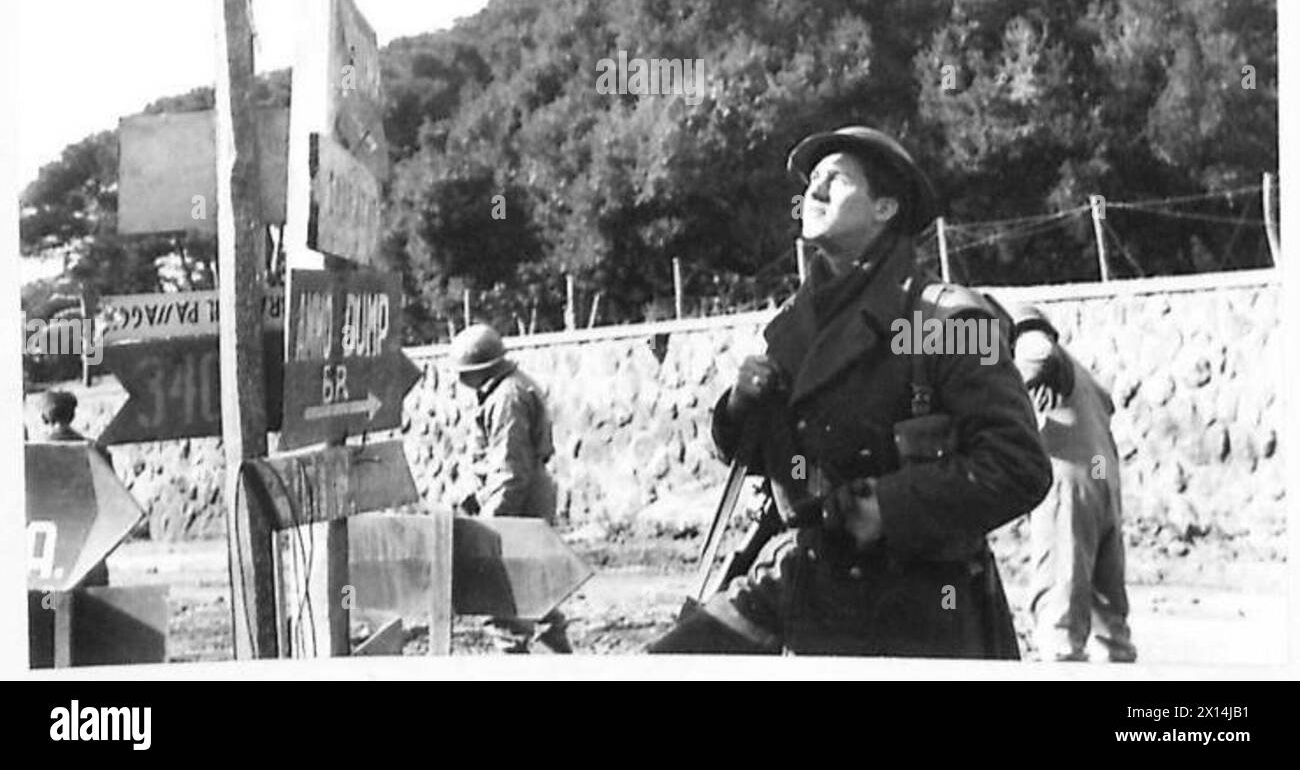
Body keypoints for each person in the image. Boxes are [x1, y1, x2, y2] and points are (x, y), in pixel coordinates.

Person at [648, 125, 1052, 656]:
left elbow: (1018, 466)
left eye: (835, 180)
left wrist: (888, 507)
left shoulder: (943, 318)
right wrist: (739, 407)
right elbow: (746, 452)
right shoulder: (793, 325)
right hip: (809, 583)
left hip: (921, 611)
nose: (813, 192)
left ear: (885, 207)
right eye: (812, 181)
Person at [1011, 303, 1137, 662]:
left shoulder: (1031, 342)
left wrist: (998, 390)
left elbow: (1038, 354)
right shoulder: (1082, 372)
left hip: (1068, 482)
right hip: (1102, 477)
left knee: (1060, 617)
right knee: (1109, 624)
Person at [451, 323, 571, 653]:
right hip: (527, 496)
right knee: (536, 594)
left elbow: (510, 472)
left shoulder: (506, 397)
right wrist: (474, 495)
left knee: (501, 602)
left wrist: (488, 530)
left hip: (519, 502)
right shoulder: (510, 387)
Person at [37, 389, 112, 586]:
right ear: (73, 414)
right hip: (91, 542)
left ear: (44, 417)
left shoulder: (36, 451)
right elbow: (113, 499)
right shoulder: (96, 450)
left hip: (50, 547)